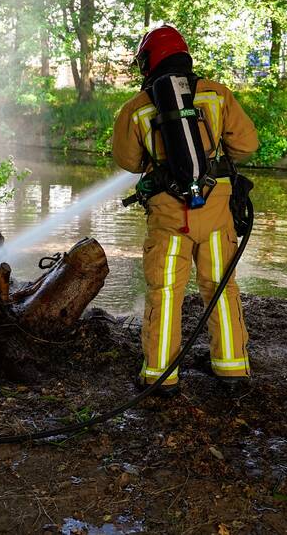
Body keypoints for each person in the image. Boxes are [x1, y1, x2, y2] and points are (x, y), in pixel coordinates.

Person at [113, 25, 259, 397]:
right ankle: (231, 371)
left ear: (149, 62)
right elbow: (246, 146)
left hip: (169, 219)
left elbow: (128, 162)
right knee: (220, 287)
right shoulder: (216, 94)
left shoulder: (136, 108)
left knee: (164, 291)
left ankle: (161, 376)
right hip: (215, 215)